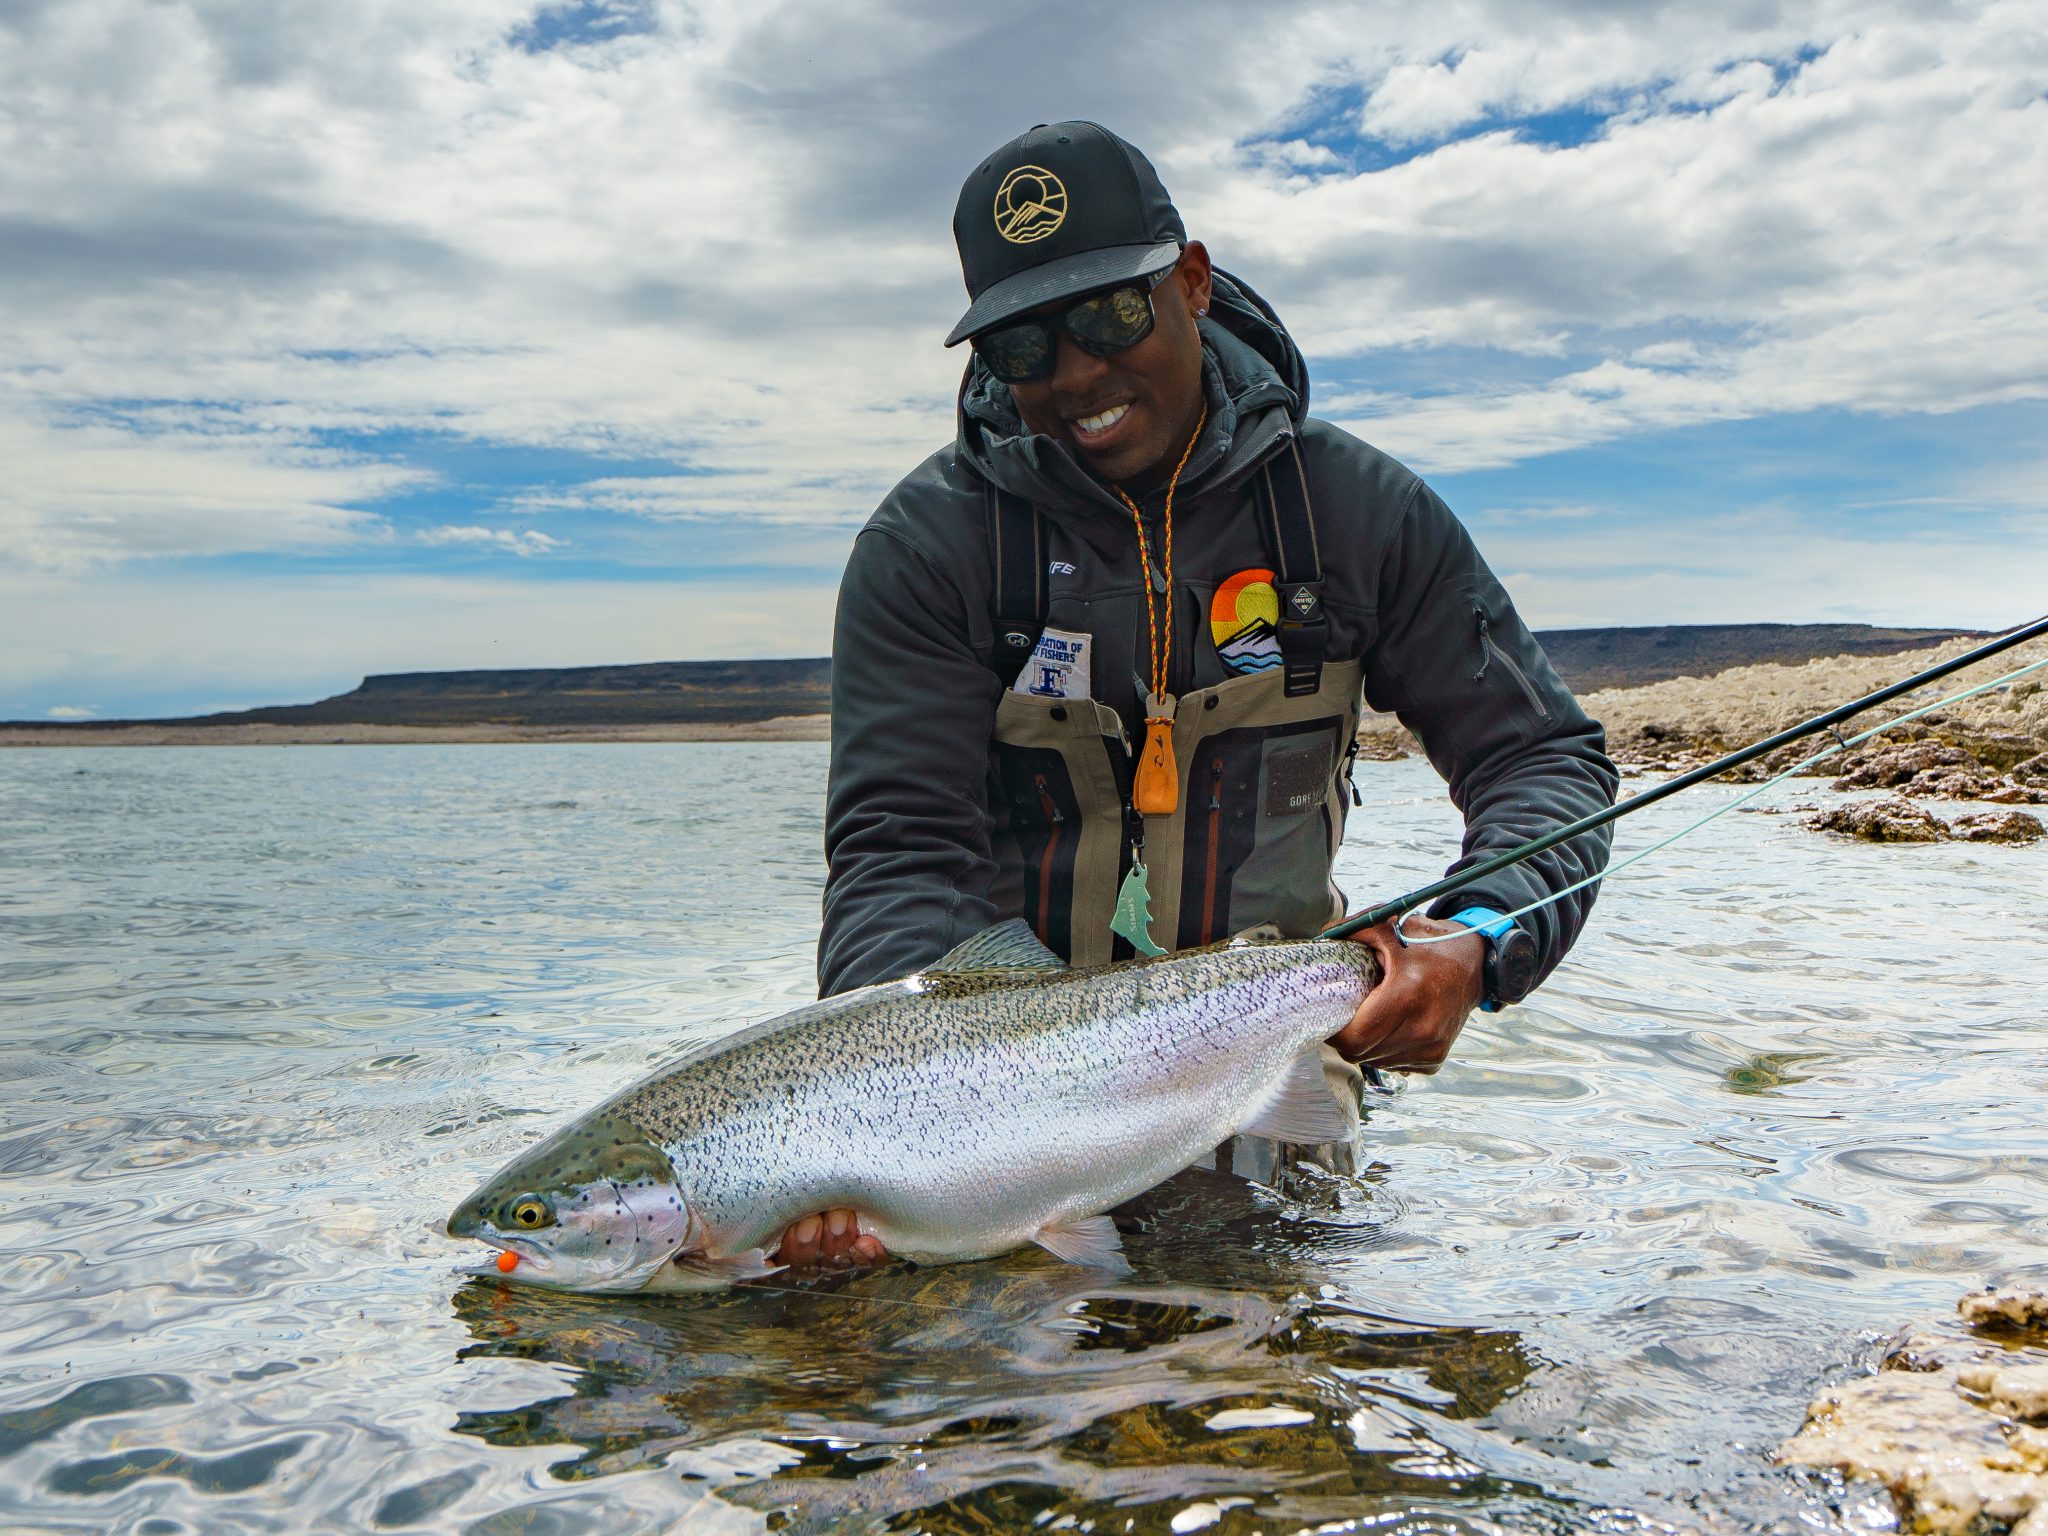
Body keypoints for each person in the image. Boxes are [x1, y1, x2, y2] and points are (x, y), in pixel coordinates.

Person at [775, 121, 1617, 1273]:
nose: (1074, 375)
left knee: (1261, 1347)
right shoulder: (927, 548)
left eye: (1109, 316)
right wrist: (886, 1128)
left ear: (1190, 280)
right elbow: (895, 853)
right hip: (1001, 1098)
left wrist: (1476, 934)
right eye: (1023, 345)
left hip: (1267, 1061)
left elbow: (1541, 763)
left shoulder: (1355, 512)